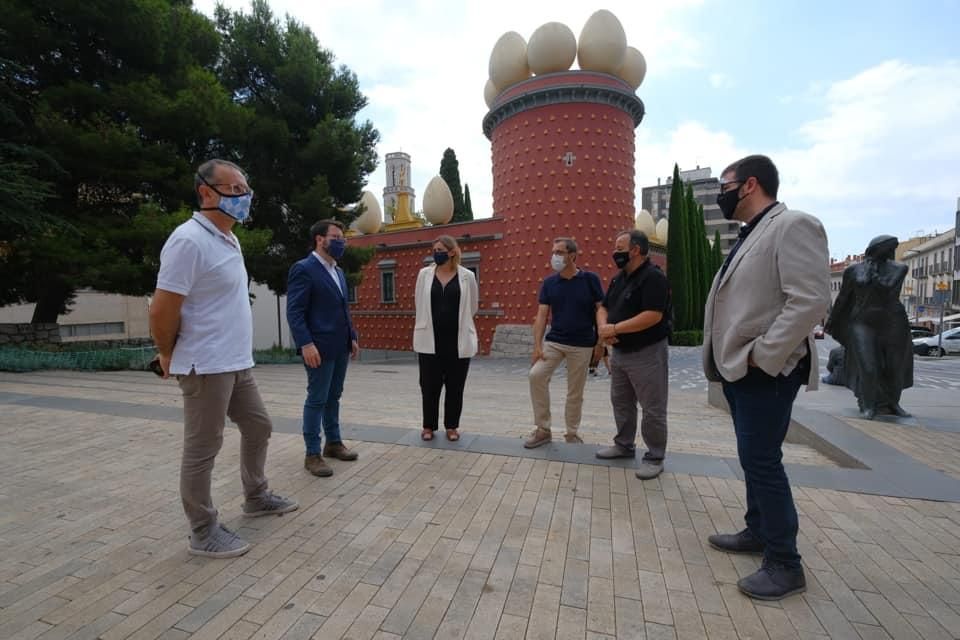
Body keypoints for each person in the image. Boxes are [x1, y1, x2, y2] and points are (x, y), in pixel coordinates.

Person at [150, 159, 298, 559]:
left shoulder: (227, 239)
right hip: (205, 364)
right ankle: (203, 530)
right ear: (205, 192)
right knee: (203, 448)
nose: (243, 197)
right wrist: (166, 352)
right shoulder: (187, 240)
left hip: (235, 362)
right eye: (233, 189)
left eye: (245, 189)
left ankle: (256, 495)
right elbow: (162, 309)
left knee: (259, 426)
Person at [702, 154, 830, 600]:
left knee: (763, 461)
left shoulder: (794, 225)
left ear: (750, 184)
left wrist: (763, 355)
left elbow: (811, 300)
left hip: (766, 370)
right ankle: (757, 531)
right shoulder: (752, 233)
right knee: (754, 457)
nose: (721, 193)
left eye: (726, 184)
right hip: (744, 368)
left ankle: (784, 563)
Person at [286, 220, 360, 478]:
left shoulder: (337, 271)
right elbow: (295, 311)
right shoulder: (304, 269)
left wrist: (352, 336)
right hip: (317, 347)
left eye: (343, 238)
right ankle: (312, 454)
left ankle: (333, 442)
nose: (341, 242)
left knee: (333, 396)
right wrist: (305, 343)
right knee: (316, 398)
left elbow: (343, 307)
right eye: (336, 237)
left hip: (340, 345)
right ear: (320, 239)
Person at [595, 230, 671, 480]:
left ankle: (655, 456)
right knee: (621, 402)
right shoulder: (619, 279)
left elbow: (653, 315)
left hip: (647, 353)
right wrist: (603, 329)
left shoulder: (653, 278)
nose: (614, 252)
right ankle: (624, 444)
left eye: (619, 247)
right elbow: (604, 306)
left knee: (653, 407)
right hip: (620, 353)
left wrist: (614, 328)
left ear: (635, 250)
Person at [525, 238, 604, 448]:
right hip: (555, 342)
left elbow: (601, 310)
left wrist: (601, 343)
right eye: (553, 252)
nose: (555, 256)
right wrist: (537, 346)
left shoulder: (590, 280)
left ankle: (571, 434)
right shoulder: (549, 283)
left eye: (559, 252)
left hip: (583, 344)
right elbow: (541, 316)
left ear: (572, 255)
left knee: (575, 391)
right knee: (536, 375)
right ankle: (543, 429)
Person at [824, 235, 913, 419]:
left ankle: (892, 403)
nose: (893, 252)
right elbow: (843, 297)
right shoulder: (853, 270)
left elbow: (888, 288)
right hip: (862, 323)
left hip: (892, 323)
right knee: (868, 366)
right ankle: (868, 405)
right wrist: (832, 321)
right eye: (891, 248)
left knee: (894, 368)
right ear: (880, 248)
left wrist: (872, 274)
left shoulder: (899, 268)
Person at [413, 235, 479, 442]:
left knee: (455, 386)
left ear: (452, 252)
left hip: (457, 341)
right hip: (429, 341)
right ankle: (428, 426)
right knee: (429, 386)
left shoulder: (467, 276)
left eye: (441, 249)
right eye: (434, 249)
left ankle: (452, 426)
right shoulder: (424, 274)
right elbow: (419, 303)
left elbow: (473, 306)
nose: (436, 252)